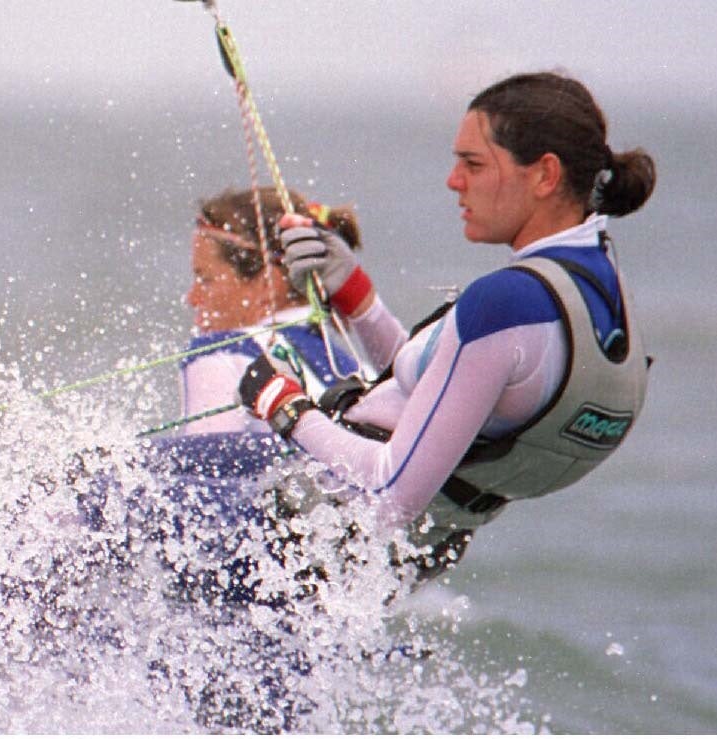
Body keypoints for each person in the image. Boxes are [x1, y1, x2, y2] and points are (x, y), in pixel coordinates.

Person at [237, 72, 655, 576]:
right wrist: (352, 292)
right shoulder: (600, 294)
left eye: (473, 164)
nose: (453, 180)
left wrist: (285, 408)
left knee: (115, 488)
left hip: (305, 526)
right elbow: (438, 395)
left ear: (545, 175)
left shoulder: (507, 305)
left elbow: (389, 495)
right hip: (402, 557)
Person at [180, 185, 363, 434]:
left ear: (268, 283)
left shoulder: (221, 354)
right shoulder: (358, 368)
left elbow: (205, 467)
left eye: (205, 279)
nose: (192, 298)